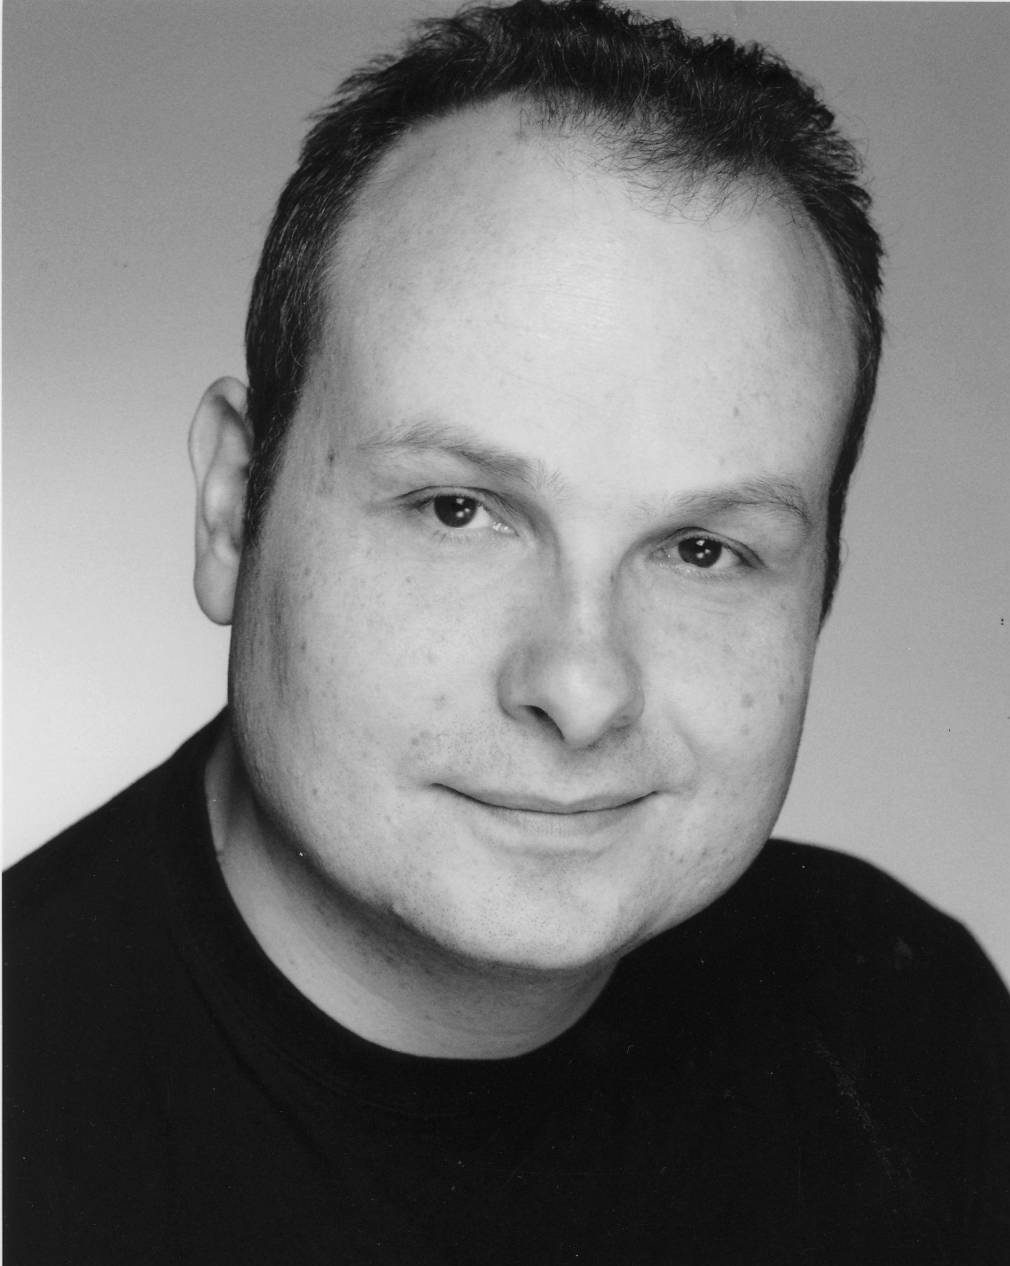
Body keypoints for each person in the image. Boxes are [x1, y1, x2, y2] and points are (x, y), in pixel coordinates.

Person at [5, 1, 1009, 1261]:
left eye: (703, 550)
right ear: (230, 510)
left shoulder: (911, 1023)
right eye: (457, 510)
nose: (579, 691)